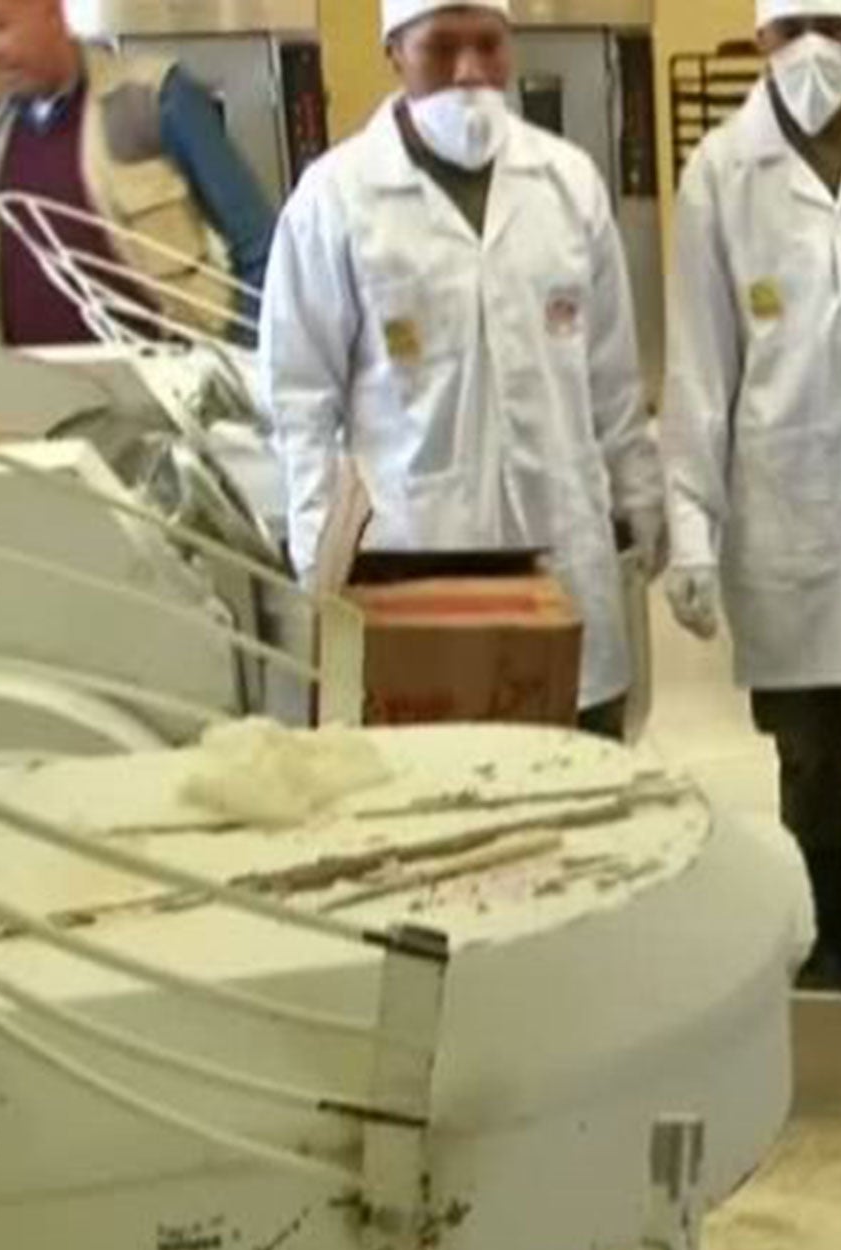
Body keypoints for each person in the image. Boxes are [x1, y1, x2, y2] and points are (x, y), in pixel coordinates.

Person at [261, 0, 660, 740]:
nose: (470, 71)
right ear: (394, 52)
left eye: (488, 45)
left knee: (580, 782)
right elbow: (299, 400)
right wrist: (321, 561)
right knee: (442, 795)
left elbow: (612, 378)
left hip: (561, 548)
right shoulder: (336, 198)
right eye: (442, 48)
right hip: (414, 562)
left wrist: (642, 497)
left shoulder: (568, 183)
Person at [660, 0, 841, 993]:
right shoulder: (720, 174)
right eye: (793, 27)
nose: (814, 48)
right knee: (808, 756)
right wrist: (687, 532)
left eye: (834, 23)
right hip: (786, 507)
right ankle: (833, 925)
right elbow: (696, 367)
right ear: (758, 37)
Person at [0, 0, 275, 346]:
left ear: (51, 9)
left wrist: (243, 359)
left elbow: (261, 247)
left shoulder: (155, 97)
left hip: (162, 383)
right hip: (35, 387)